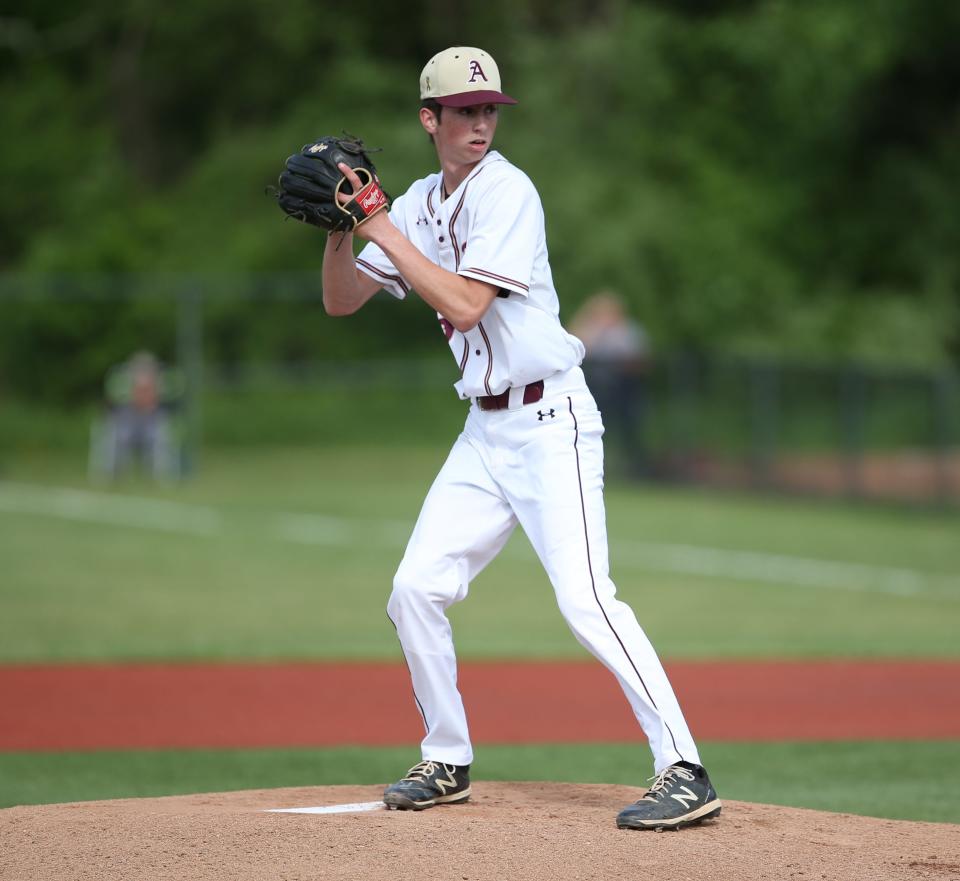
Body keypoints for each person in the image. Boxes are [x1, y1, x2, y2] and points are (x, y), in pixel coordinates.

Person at [320, 46, 720, 831]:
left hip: (551, 424)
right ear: (429, 119)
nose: (479, 123)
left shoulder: (508, 190)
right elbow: (341, 301)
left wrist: (379, 223)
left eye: (489, 110)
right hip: (483, 431)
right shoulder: (423, 206)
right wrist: (340, 229)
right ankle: (447, 756)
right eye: (464, 111)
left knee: (585, 599)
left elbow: (466, 306)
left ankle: (684, 767)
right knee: (415, 589)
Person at [569, 291, 652, 476]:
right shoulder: (587, 330)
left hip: (625, 390)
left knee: (630, 430)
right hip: (596, 390)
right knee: (592, 428)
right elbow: (575, 352)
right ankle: (590, 465)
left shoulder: (628, 332)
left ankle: (634, 469)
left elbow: (639, 359)